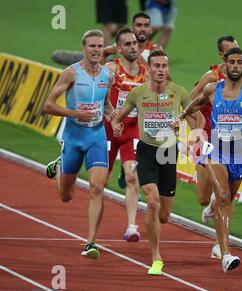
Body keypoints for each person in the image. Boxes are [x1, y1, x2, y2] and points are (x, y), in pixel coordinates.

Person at [111, 50, 204, 275]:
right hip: (146, 152)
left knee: (163, 215)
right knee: (152, 203)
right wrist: (116, 124)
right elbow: (119, 116)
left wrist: (193, 133)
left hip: (168, 153)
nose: (161, 70)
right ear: (149, 69)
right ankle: (156, 258)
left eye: (165, 66)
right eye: (157, 66)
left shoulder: (179, 93)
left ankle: (154, 223)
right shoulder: (138, 93)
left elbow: (197, 118)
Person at [175, 47, 242, 272]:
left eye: (240, 62)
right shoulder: (212, 89)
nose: (235, 66)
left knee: (225, 199)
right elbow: (196, 103)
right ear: (224, 65)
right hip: (215, 152)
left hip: (239, 155)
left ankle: (212, 209)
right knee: (224, 197)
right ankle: (225, 253)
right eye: (232, 62)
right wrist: (182, 116)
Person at [44, 30, 116, 259]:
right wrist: (74, 113)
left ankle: (91, 243)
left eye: (100, 46)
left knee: (97, 187)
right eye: (92, 46)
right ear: (84, 48)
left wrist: (114, 118)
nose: (96, 50)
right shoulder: (71, 73)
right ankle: (60, 166)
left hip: (96, 137)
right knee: (66, 195)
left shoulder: (107, 75)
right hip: (74, 138)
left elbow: (106, 104)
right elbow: (48, 105)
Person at [189, 36, 239, 261]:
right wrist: (197, 129)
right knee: (203, 197)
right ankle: (210, 206)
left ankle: (222, 244)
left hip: (231, 143)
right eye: (230, 53)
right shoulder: (211, 78)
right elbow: (189, 103)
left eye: (237, 50)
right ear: (221, 56)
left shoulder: (240, 79)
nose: (234, 57)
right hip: (208, 140)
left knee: (228, 194)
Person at [102, 12, 161, 189]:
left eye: (146, 25)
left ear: (150, 29)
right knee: (101, 180)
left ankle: (127, 170)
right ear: (133, 28)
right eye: (139, 25)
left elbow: (166, 80)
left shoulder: (155, 51)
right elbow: (102, 54)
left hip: (133, 127)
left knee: (132, 177)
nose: (142, 29)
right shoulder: (118, 49)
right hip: (109, 126)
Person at [104, 28, 148, 242]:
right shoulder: (111, 69)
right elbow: (99, 99)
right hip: (107, 133)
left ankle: (132, 226)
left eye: (135, 43)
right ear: (119, 48)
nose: (133, 47)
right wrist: (112, 117)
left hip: (132, 131)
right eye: (128, 44)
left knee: (132, 176)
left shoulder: (145, 73)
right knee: (101, 181)